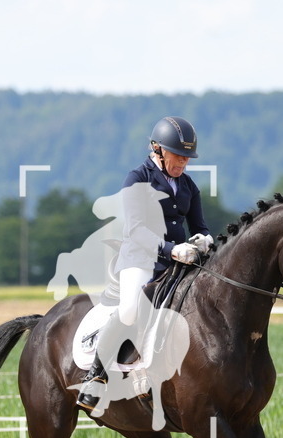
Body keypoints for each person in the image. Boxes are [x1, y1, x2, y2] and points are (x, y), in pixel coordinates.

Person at [76, 116, 213, 411]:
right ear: (157, 149)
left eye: (187, 158)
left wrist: (204, 241)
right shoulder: (137, 178)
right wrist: (172, 250)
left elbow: (199, 225)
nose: (183, 163)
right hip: (140, 258)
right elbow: (136, 230)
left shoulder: (188, 185)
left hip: (179, 262)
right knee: (129, 310)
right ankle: (95, 376)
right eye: (178, 155)